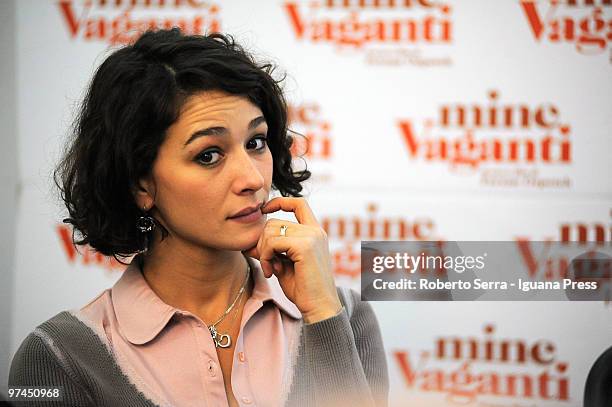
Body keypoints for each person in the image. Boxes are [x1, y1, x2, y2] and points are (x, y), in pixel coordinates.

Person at [8, 28, 389, 407]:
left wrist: (323, 315)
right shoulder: (59, 357)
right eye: (209, 155)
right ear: (141, 185)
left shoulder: (346, 316)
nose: (253, 179)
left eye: (256, 143)